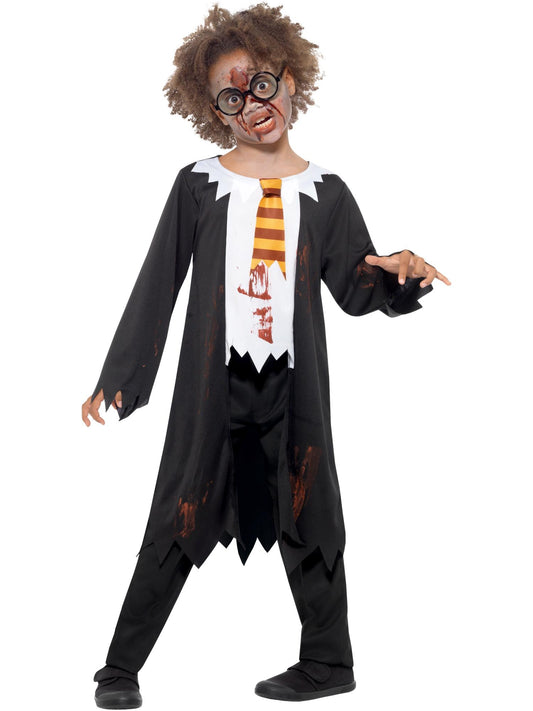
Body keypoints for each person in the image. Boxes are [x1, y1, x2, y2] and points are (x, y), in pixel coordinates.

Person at [82, 3, 450, 707]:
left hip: (293, 387)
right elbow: (159, 282)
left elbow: (355, 284)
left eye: (260, 85)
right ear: (213, 111)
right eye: (231, 97)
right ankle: (119, 669)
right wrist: (122, 375)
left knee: (313, 511)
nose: (252, 105)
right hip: (213, 386)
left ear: (289, 81)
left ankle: (329, 662)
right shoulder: (198, 184)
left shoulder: (327, 193)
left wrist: (399, 276)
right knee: (178, 509)